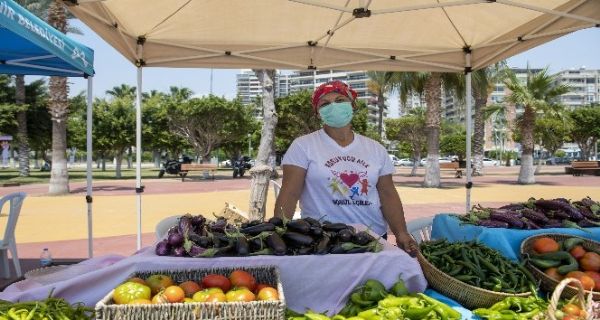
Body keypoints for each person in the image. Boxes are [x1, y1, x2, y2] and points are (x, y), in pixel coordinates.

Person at [274, 80, 417, 256]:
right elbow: (289, 193)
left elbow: (388, 195)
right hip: (322, 239)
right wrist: (278, 233)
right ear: (318, 113)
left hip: (372, 237)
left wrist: (401, 233)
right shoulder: (303, 146)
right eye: (325, 104)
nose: (333, 106)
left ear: (352, 105)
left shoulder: (375, 148)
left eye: (340, 100)